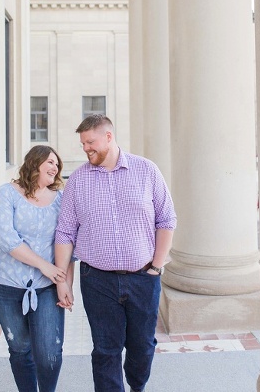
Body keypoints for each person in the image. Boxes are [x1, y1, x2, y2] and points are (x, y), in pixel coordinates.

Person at [54, 115, 176, 392]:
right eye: (83, 143)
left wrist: (156, 267)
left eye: (90, 142)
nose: (86, 148)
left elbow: (167, 220)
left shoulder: (146, 170)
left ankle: (136, 386)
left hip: (144, 277)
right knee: (106, 349)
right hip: (97, 280)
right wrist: (63, 280)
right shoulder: (77, 181)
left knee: (142, 346)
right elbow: (65, 232)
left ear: (109, 137)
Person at [0, 144, 73, 392]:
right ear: (34, 163)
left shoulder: (62, 200)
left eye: (57, 164)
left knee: (49, 352)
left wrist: (64, 282)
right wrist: (44, 266)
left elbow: (68, 243)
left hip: (46, 287)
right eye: (50, 162)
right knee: (20, 349)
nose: (55, 167)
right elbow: (6, 239)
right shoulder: (6, 194)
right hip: (5, 286)